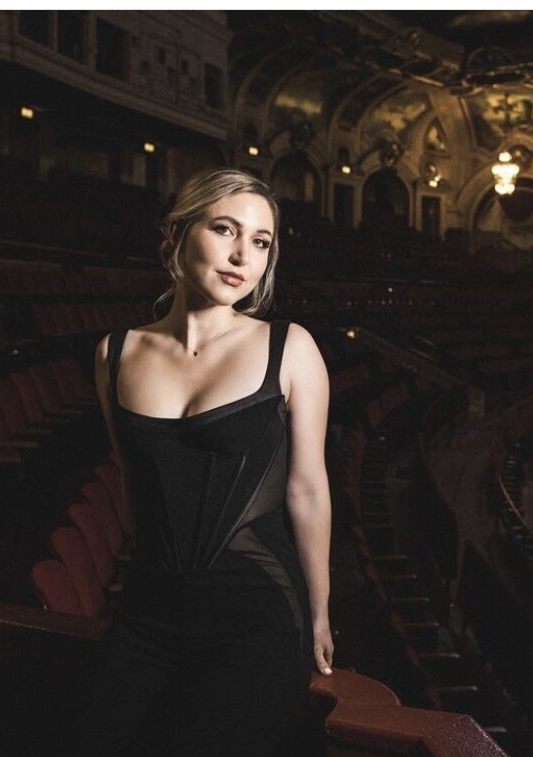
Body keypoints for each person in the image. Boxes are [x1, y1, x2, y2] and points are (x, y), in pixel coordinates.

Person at [79, 168, 333, 756]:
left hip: (257, 616)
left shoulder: (290, 346)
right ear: (177, 233)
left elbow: (308, 491)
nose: (243, 255)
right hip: (149, 611)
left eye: (261, 241)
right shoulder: (115, 353)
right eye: (225, 229)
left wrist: (320, 612)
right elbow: (130, 479)